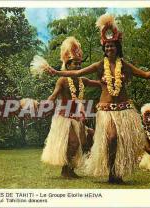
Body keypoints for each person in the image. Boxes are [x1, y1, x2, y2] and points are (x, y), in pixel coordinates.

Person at [45, 14, 150, 183]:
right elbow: (78, 72)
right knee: (112, 138)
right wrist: (57, 72)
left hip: (124, 110)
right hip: (106, 111)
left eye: (112, 46)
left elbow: (146, 75)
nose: (109, 49)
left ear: (117, 47)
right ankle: (109, 171)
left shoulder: (125, 65)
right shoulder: (100, 65)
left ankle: (116, 174)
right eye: (106, 46)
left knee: (120, 143)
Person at [41, 37, 101, 178]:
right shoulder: (62, 80)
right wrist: (46, 104)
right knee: (73, 143)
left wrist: (106, 81)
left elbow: (98, 83)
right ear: (68, 65)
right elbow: (54, 95)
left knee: (82, 143)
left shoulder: (83, 80)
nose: (79, 67)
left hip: (77, 118)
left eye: (80, 64)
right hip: (64, 117)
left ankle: (69, 170)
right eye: (76, 64)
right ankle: (65, 170)